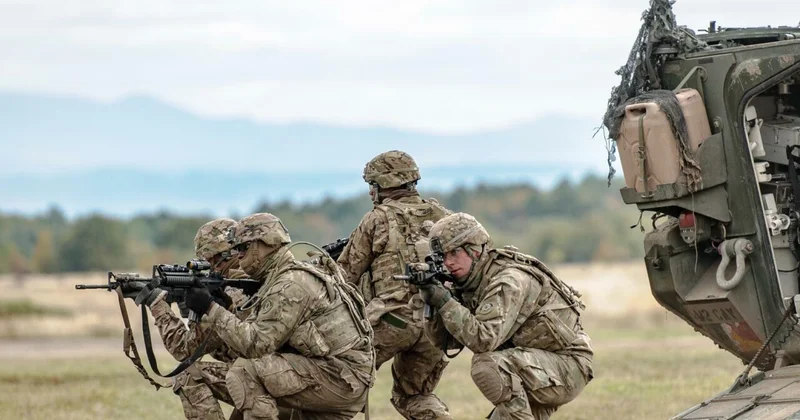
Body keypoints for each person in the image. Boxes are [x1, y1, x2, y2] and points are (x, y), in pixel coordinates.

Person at [184, 212, 375, 420]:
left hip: (340, 378)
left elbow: (255, 345)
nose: (238, 256)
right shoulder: (281, 277)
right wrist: (229, 306)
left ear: (263, 244)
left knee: (245, 372)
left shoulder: (291, 283)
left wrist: (210, 308)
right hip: (332, 374)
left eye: (242, 248)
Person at [419, 213, 594, 420]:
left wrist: (445, 302)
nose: (448, 263)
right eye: (443, 257)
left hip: (566, 366)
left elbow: (483, 340)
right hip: (530, 367)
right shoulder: (467, 282)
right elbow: (446, 342)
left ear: (475, 249)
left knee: (486, 365)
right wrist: (431, 303)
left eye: (454, 252)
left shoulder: (508, 280)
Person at [337, 150, 453, 419]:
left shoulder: (377, 219)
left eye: (372, 186)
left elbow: (344, 277)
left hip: (391, 320)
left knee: (337, 385)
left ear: (383, 186)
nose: (370, 193)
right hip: (436, 325)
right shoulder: (443, 216)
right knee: (415, 396)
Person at [124, 218, 250, 420]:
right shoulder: (253, 280)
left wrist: (157, 303)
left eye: (209, 260)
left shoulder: (235, 291)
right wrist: (188, 309)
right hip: (272, 377)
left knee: (188, 376)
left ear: (224, 255)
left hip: (266, 383)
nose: (209, 267)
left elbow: (185, 349)